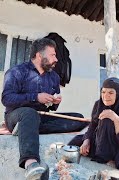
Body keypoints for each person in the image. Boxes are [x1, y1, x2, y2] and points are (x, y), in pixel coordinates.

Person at [1, 38, 88, 179]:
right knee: (29, 114)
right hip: (16, 116)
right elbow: (6, 99)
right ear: (39, 55)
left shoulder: (54, 77)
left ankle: (28, 129)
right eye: (53, 55)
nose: (56, 59)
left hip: (41, 117)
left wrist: (55, 101)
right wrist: (36, 97)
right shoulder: (16, 72)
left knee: (78, 117)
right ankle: (31, 163)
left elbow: (52, 108)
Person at [69, 78, 119, 170]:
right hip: (101, 142)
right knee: (77, 141)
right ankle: (100, 151)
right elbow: (93, 125)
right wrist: (86, 140)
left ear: (118, 94)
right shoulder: (99, 104)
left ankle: (106, 155)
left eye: (111, 93)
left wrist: (116, 120)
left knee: (107, 120)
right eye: (103, 92)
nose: (105, 96)